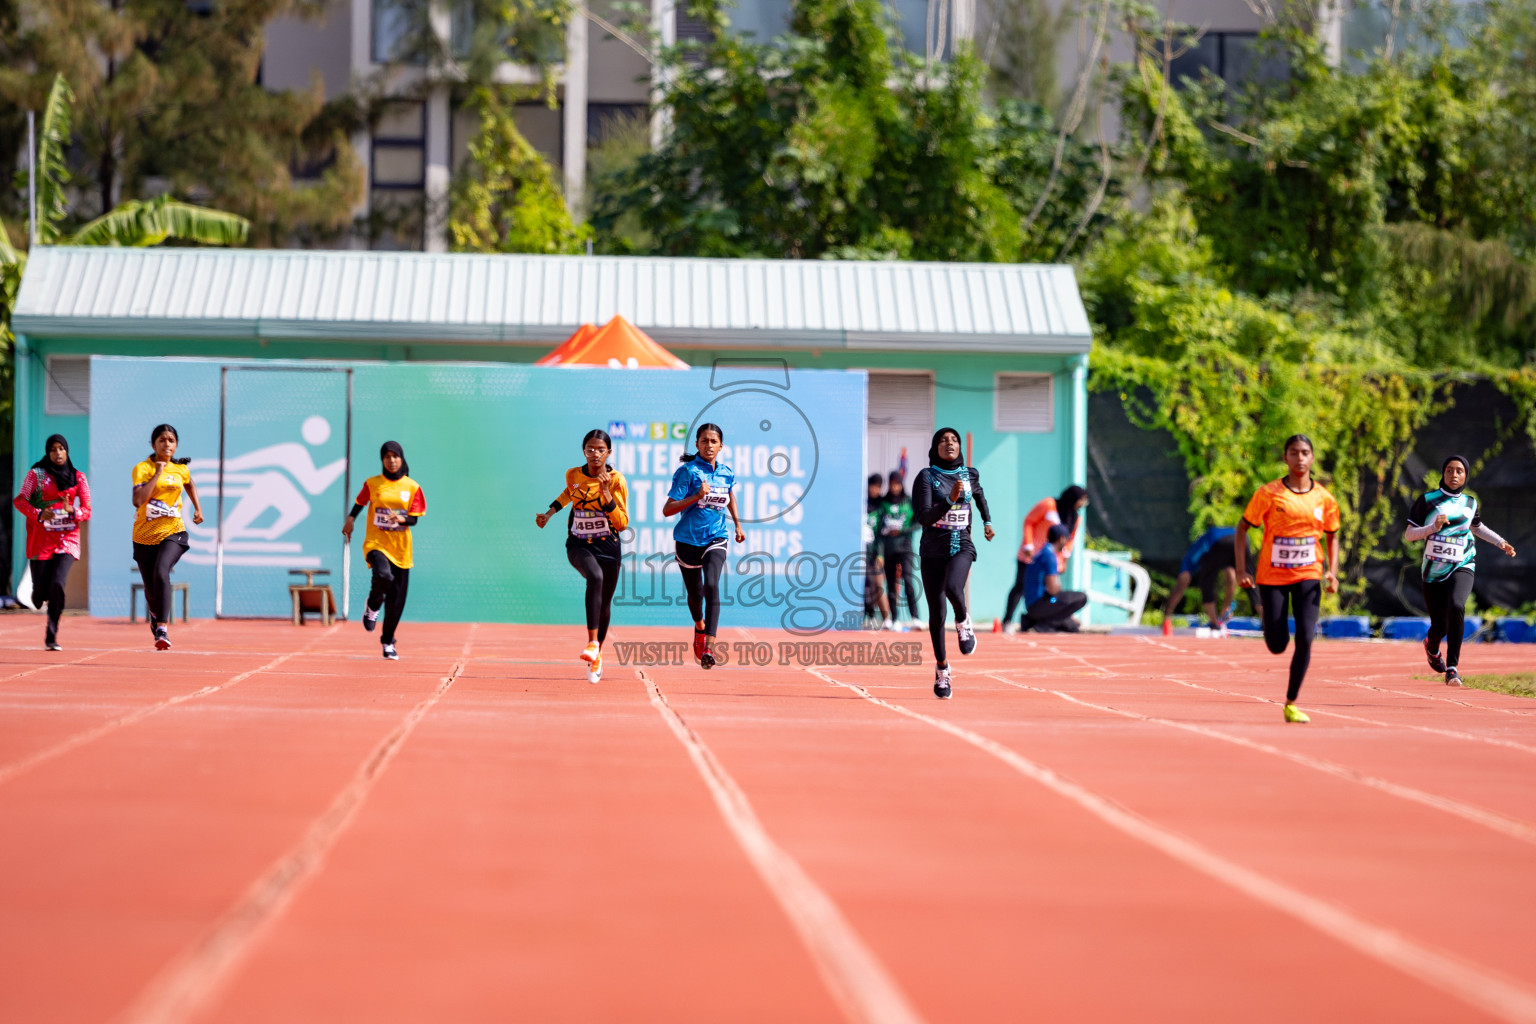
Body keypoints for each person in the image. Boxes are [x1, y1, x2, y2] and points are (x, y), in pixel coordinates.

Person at [1234, 435, 1341, 723]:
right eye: (1293, 453)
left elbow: (1332, 535)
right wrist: (1242, 569)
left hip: (1309, 574)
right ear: (1285, 458)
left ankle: (1291, 702)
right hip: (1272, 576)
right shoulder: (1268, 493)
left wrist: (1333, 571)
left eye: (1305, 452)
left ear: (1313, 458)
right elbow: (1242, 529)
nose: (1300, 458)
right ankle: (1269, 619)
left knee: (1306, 638)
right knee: (1277, 645)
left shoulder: (1325, 499)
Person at [1403, 455, 1516, 686]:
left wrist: (1500, 542)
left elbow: (1477, 527)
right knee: (1440, 626)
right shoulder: (1427, 501)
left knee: (1457, 605)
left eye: (1459, 471)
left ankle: (1452, 668)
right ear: (1443, 474)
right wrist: (1432, 527)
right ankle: (1432, 647)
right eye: (1449, 470)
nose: (1454, 475)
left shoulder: (1470, 503)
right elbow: (1409, 535)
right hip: (1434, 570)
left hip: (1463, 563)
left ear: (1465, 475)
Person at [537, 429, 630, 684]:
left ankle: (597, 652)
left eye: (600, 449)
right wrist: (549, 513)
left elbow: (622, 524)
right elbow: (568, 493)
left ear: (609, 452)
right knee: (595, 577)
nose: (595, 454)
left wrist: (607, 494)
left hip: (609, 547)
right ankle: (591, 643)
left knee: (605, 603)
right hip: (579, 544)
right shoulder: (574, 474)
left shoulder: (617, 480)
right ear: (584, 451)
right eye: (590, 449)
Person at [911, 427, 993, 699]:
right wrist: (949, 500)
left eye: (954, 440)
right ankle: (942, 670)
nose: (950, 443)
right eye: (944, 440)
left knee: (955, 590)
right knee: (936, 616)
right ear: (935, 448)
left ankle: (963, 620)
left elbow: (979, 496)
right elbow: (924, 518)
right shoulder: (926, 477)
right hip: (932, 550)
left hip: (961, 545)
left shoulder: (969, 474)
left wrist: (987, 522)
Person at [662, 424, 744, 669]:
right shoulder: (687, 472)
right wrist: (696, 496)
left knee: (712, 584)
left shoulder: (727, 472)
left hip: (716, 537)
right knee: (695, 594)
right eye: (704, 441)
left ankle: (709, 646)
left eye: (713, 441)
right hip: (688, 541)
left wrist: (738, 525)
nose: (709, 445)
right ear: (697, 444)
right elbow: (667, 510)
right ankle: (699, 628)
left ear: (721, 446)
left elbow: (730, 496)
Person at [343, 441, 426, 661]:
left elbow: (414, 519)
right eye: (387, 457)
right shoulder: (373, 483)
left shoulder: (412, 487)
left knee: (397, 600)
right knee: (382, 575)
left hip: (400, 549)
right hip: (376, 543)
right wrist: (351, 519)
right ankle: (372, 605)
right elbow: (360, 502)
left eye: (395, 457)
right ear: (382, 459)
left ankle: (388, 641)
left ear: (401, 459)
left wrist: (401, 518)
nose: (391, 461)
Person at [13, 434, 92, 650]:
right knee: (40, 593)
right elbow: (20, 501)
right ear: (48, 452)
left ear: (67, 451)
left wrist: (73, 511)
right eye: (53, 449)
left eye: (61, 449)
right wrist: (39, 514)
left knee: (58, 583)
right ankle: (38, 594)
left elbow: (87, 511)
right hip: (41, 539)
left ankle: (52, 634)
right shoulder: (36, 474)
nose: (58, 453)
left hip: (68, 538)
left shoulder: (78, 477)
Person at [131, 424, 204, 651]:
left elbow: (189, 483)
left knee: (162, 572)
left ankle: (162, 628)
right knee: (151, 590)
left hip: (173, 532)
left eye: (171, 440)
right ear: (153, 445)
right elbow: (138, 500)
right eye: (162, 440)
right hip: (144, 536)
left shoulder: (181, 470)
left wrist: (198, 509)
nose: (167, 444)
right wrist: (158, 473)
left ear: (176, 444)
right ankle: (155, 614)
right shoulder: (143, 468)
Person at [1005, 484, 1088, 629]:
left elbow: (1070, 540)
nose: (1083, 504)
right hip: (1031, 555)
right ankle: (1007, 621)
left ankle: (1041, 619)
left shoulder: (1075, 518)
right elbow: (1029, 521)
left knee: (1049, 589)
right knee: (1020, 586)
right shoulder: (1049, 504)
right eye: (1082, 499)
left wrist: (1063, 560)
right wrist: (1028, 545)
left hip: (1052, 558)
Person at [1163, 526, 1239, 630]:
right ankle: (1216, 620)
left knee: (1223, 577)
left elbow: (1231, 578)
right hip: (1236, 537)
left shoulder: (1202, 551)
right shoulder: (1193, 557)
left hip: (1228, 538)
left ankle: (1218, 618)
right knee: (1187, 582)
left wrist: (1227, 606)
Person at [1019, 525, 1089, 632]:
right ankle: (1043, 625)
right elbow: (1052, 589)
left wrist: (1067, 614)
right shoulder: (1049, 556)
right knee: (1081, 597)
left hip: (1033, 605)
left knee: (1071, 627)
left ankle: (1032, 621)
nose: (1066, 543)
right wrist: (1058, 587)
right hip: (1041, 604)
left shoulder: (1041, 552)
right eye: (1066, 540)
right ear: (1061, 539)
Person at [878, 470, 919, 630]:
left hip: (905, 547)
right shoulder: (884, 503)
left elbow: (918, 523)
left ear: (901, 484)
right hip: (889, 549)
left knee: (908, 580)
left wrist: (902, 531)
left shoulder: (909, 501)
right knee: (891, 583)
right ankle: (894, 618)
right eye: (892, 484)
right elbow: (879, 527)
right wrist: (880, 551)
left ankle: (915, 617)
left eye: (897, 483)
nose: (895, 487)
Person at [863, 474, 891, 629]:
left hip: (876, 552)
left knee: (878, 584)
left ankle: (886, 618)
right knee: (866, 584)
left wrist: (880, 554)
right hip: (861, 551)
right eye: (873, 485)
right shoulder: (860, 502)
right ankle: (869, 616)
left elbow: (881, 533)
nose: (875, 489)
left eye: (878, 487)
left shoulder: (881, 506)